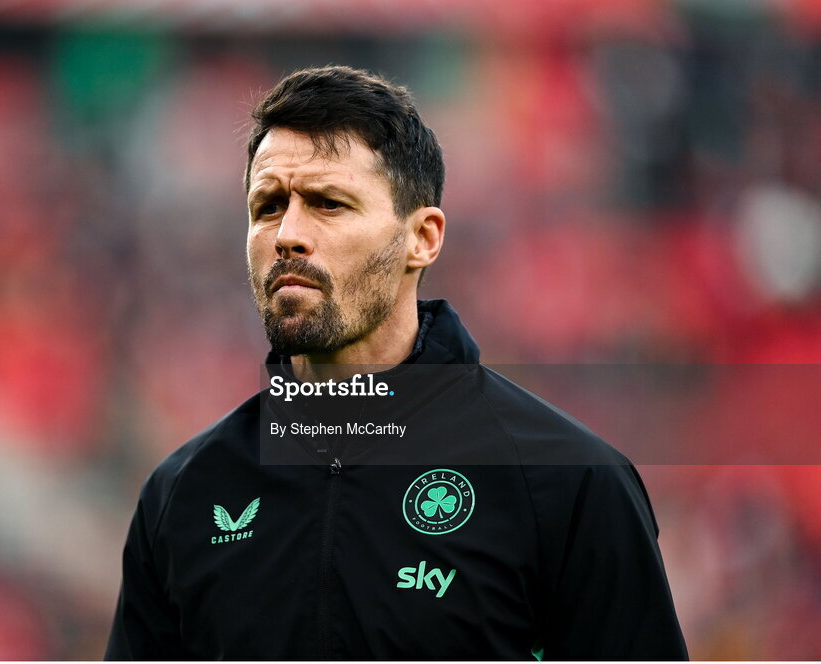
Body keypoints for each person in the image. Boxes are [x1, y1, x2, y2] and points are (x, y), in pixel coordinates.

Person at [105, 65, 688, 660]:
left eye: (328, 204)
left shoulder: (569, 481)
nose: (287, 234)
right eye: (268, 206)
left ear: (423, 238)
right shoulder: (183, 493)